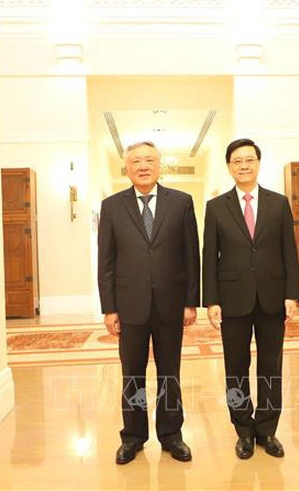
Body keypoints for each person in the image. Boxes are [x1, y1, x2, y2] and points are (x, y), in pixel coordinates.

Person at [98, 141, 200, 465]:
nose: (143, 166)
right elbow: (107, 261)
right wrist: (109, 307)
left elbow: (190, 256)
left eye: (149, 160)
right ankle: (133, 437)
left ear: (159, 166)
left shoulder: (182, 203)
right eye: (136, 161)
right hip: (129, 306)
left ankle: (171, 436)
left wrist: (190, 301)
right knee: (132, 374)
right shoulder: (112, 206)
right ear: (126, 167)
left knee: (170, 373)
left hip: (170, 303)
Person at [202, 138, 299, 459]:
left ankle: (267, 430)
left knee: (271, 367)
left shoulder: (279, 203)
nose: (244, 165)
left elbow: (290, 252)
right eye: (237, 161)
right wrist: (211, 300)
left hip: (273, 297)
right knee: (235, 368)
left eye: (249, 160)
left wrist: (292, 294)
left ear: (258, 163)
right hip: (231, 300)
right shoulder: (216, 207)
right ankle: (243, 430)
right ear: (229, 166)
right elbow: (209, 257)